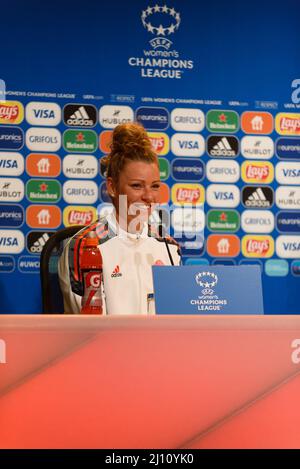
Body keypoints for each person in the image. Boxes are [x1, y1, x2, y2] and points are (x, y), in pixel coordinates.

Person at [58, 122, 181, 314]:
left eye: (155, 186)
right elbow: (89, 329)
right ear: (112, 187)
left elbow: (177, 320)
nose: (149, 197)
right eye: (137, 186)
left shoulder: (169, 247)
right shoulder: (85, 248)